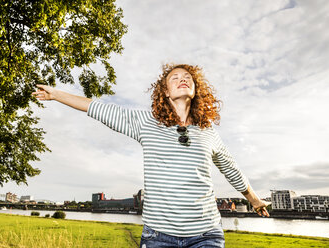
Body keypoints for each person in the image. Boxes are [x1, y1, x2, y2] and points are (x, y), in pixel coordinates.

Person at [32, 63, 271, 248]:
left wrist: (254, 199)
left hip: (205, 234)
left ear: (196, 90)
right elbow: (98, 108)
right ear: (165, 92)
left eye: (187, 77)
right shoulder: (146, 123)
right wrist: (55, 94)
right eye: (175, 78)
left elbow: (230, 167)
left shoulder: (208, 131)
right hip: (158, 236)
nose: (183, 79)